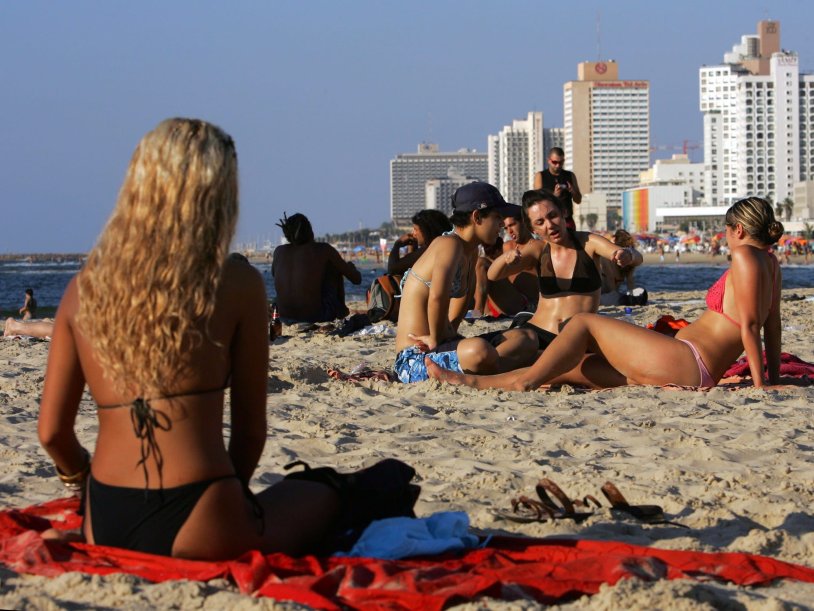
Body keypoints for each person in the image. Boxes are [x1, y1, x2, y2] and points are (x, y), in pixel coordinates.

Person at [38, 118, 342, 560]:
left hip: (105, 517)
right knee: (328, 492)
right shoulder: (237, 282)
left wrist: (82, 487)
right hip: (202, 511)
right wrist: (232, 502)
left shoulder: (84, 289)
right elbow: (249, 435)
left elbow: (51, 433)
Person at [427, 196, 783, 391]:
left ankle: (521, 382)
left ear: (737, 228)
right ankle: (475, 381)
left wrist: (761, 385)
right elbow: (773, 324)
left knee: (583, 322)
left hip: (689, 360)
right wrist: (774, 377)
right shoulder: (771, 263)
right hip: (685, 367)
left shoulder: (745, 255)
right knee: (572, 368)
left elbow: (752, 326)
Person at [480, 189, 642, 382]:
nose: (550, 225)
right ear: (533, 229)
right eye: (540, 222)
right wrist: (505, 260)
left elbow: (634, 257)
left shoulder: (588, 242)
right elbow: (493, 274)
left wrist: (626, 255)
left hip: (576, 340)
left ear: (563, 212)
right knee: (512, 347)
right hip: (538, 333)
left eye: (553, 216)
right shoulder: (537, 250)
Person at [394, 182, 527, 383]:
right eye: (497, 218)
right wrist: (437, 339)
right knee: (480, 351)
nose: (502, 224)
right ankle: (504, 372)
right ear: (477, 217)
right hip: (415, 358)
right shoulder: (449, 244)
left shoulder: (471, 252)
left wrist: (449, 337)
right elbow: (437, 297)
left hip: (444, 344)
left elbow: (459, 308)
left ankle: (494, 370)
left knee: (525, 338)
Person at [272, 213, 362, 323]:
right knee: (334, 267)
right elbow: (357, 279)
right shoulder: (323, 249)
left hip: (283, 316)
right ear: (309, 230)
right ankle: (341, 310)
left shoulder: (278, 251)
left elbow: (274, 275)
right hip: (317, 316)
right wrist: (350, 267)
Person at [475, 207, 540, 317]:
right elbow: (487, 276)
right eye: (505, 228)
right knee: (480, 264)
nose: (509, 231)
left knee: (482, 263)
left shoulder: (536, 246)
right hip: (509, 300)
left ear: (524, 222)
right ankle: (479, 312)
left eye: (512, 225)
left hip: (527, 305)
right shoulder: (507, 246)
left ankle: (477, 313)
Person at [387, 209, 452, 276]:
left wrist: (397, 244)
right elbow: (408, 267)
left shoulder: (427, 250)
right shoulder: (444, 246)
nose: (413, 233)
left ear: (426, 231)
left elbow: (393, 269)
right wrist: (412, 248)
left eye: (416, 229)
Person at [533, 147, 582, 230]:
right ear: (549, 160)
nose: (558, 165)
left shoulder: (570, 175)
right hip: (549, 221)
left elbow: (578, 200)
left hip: (567, 221)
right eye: (554, 162)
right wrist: (554, 196)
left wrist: (572, 191)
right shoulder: (540, 176)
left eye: (561, 162)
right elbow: (537, 201)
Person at [599, 229, 645, 306]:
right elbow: (630, 283)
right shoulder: (630, 257)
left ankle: (627, 299)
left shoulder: (608, 257)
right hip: (606, 295)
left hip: (604, 295)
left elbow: (612, 286)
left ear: (614, 240)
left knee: (614, 297)